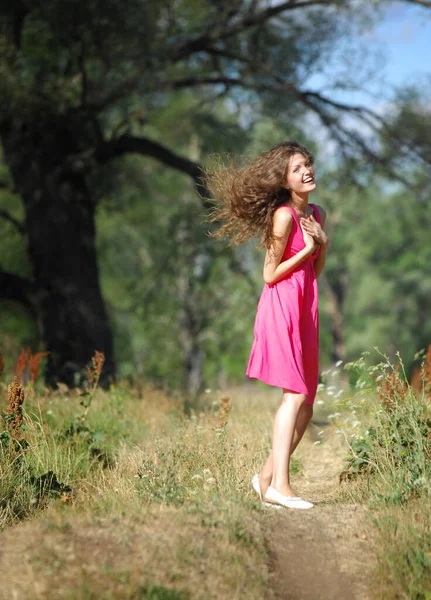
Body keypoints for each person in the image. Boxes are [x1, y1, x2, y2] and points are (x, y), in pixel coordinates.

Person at [206, 141, 328, 510]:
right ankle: (282, 488)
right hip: (281, 307)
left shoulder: (318, 214)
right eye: (297, 168)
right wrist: (307, 250)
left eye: (307, 163)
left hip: (306, 306)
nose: (306, 170)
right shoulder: (284, 216)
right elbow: (269, 274)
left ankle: (264, 479)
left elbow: (315, 272)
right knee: (293, 395)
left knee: (307, 402)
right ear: (285, 181)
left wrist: (323, 245)